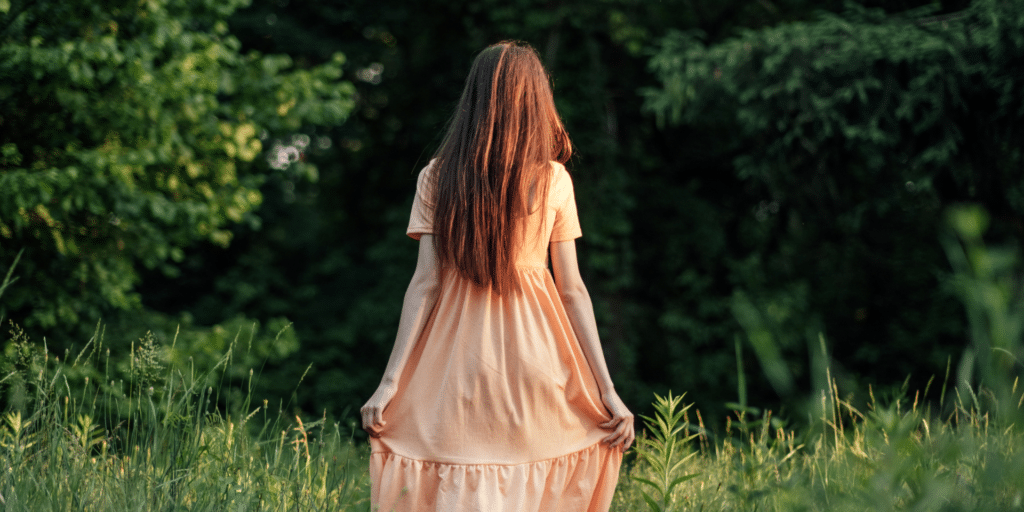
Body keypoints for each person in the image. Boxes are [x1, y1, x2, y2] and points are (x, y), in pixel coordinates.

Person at [360, 40, 634, 512]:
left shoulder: (437, 176)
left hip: (454, 364)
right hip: (538, 360)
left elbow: (424, 285)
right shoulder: (552, 179)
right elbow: (572, 291)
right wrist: (607, 391)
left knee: (459, 480)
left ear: (474, 100)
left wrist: (390, 382)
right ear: (535, 102)